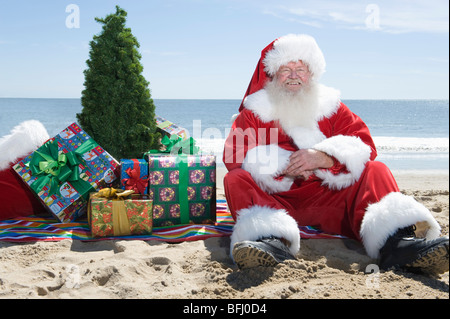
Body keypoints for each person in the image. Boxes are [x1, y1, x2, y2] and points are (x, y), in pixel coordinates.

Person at [223, 34, 449, 274]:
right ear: (273, 74)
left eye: (300, 68)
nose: (293, 75)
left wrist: (325, 156)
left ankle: (397, 245)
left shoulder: (331, 106)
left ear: (311, 73)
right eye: (285, 69)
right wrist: (278, 162)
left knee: (376, 169)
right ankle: (271, 240)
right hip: (277, 202)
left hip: (332, 199)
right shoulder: (255, 112)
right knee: (235, 179)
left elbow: (365, 144)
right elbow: (233, 155)